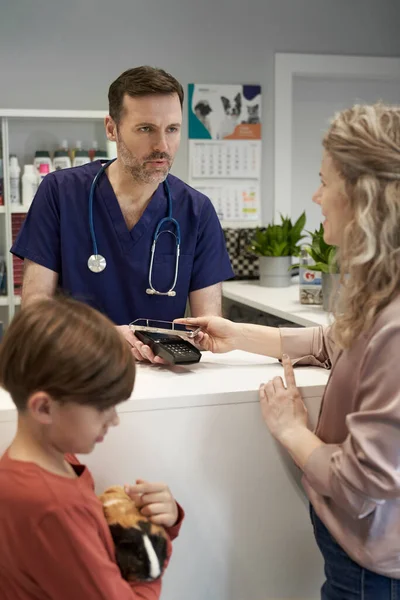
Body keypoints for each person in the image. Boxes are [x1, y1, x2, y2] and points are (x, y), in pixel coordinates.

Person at [177, 103, 400, 599]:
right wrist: (238, 335)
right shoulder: (384, 292)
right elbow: (333, 342)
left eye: (325, 182)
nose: (316, 196)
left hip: (373, 575)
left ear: (363, 199)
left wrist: (291, 430)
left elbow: (362, 486)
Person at [11, 66, 234, 363]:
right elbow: (35, 313)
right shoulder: (60, 193)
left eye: (172, 129)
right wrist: (105, 335)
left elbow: (208, 326)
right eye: (146, 129)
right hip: (74, 371)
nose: (162, 146)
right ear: (111, 128)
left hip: (163, 377)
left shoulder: (196, 211)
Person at [0, 295, 184, 599]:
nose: (114, 421)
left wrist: (152, 519)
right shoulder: (55, 508)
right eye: (103, 407)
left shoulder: (43, 466)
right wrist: (152, 544)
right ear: (44, 408)